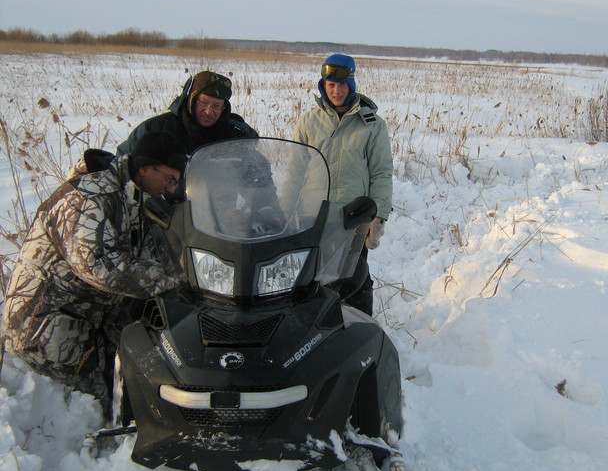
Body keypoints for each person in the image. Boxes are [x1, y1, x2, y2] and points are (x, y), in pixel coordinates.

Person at [1, 131, 189, 413]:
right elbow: (100, 266)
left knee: (141, 378)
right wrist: (173, 282)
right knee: (93, 408)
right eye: (170, 179)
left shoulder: (132, 193)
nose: (172, 189)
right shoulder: (90, 196)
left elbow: (149, 251)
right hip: (46, 328)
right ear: (146, 167)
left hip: (91, 317)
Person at [292, 54, 393, 316]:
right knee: (307, 276)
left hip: (353, 216)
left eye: (343, 85)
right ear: (323, 86)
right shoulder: (308, 122)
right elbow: (295, 171)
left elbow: (381, 172)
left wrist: (378, 215)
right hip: (312, 214)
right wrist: (285, 210)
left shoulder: (372, 125)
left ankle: (358, 328)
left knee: (354, 278)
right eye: (331, 85)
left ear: (352, 85)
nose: (337, 91)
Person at [117, 70, 258, 157]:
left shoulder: (234, 138)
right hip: (166, 205)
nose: (209, 112)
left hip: (220, 205)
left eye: (217, 106)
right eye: (203, 103)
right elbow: (123, 164)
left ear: (224, 108)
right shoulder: (155, 130)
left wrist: (265, 204)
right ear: (191, 100)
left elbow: (259, 177)